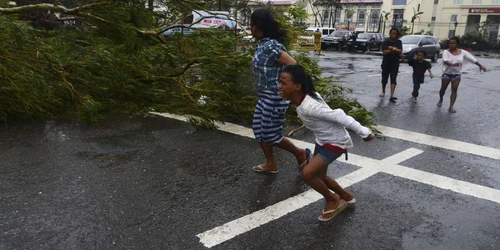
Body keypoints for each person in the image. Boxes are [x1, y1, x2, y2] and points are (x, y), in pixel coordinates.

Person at [278, 64, 375, 221]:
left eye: (283, 83)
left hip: (335, 142)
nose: (279, 86)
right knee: (320, 177)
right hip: (323, 140)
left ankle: (332, 199)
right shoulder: (304, 98)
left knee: (308, 174)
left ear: (297, 86)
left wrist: (365, 132)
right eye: (280, 82)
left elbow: (339, 116)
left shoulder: (309, 106)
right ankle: (346, 196)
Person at [250, 8, 310, 174]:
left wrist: (286, 86)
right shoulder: (263, 44)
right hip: (264, 96)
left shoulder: (271, 46)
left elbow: (293, 64)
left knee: (269, 135)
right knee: (258, 130)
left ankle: (300, 153)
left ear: (256, 26)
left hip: (275, 96)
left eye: (251, 24)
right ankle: (270, 164)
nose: (250, 28)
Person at [438, 36, 486, 113]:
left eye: (453, 43)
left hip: (456, 74)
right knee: (443, 89)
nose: (451, 45)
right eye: (450, 43)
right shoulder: (446, 52)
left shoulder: (463, 52)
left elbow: (472, 59)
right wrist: (453, 64)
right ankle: (441, 99)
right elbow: (446, 61)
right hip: (447, 73)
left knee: (454, 90)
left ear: (457, 44)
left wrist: (480, 66)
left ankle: (451, 107)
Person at [380, 28, 403, 102]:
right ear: (390, 34)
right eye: (392, 33)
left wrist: (392, 48)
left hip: (395, 63)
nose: (393, 35)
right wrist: (394, 49)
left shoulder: (399, 42)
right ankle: (383, 91)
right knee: (384, 78)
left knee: (393, 78)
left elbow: (400, 51)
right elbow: (384, 52)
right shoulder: (386, 42)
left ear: (397, 35)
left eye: (395, 33)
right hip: (386, 62)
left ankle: (392, 94)